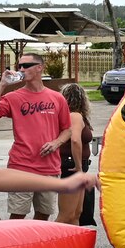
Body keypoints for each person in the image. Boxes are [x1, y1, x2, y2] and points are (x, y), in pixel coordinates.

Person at [0, 51, 69, 221]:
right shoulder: (14, 97)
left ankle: (34, 247)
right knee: (17, 216)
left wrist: (56, 143)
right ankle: (15, 247)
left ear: (39, 68)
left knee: (43, 215)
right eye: (19, 66)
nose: (21, 69)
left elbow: (67, 129)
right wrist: (1, 85)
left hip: (49, 167)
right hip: (21, 166)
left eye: (26, 65)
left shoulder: (57, 98)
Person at [43, 83, 94, 226]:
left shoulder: (75, 116)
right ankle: (47, 244)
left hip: (77, 165)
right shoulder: (75, 116)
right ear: (82, 99)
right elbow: (75, 140)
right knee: (66, 215)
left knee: (77, 213)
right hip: (72, 165)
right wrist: (78, 167)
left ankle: (73, 246)